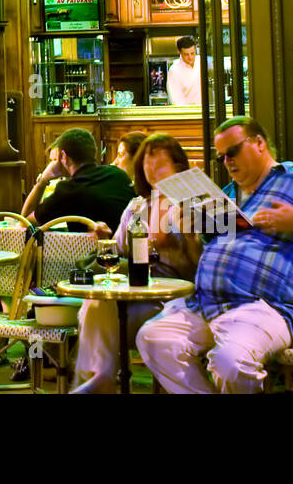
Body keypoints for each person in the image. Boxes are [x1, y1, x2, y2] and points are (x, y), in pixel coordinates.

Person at [136, 116, 293, 393]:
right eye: (222, 157)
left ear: (259, 143)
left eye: (233, 152)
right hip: (206, 304)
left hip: (267, 307)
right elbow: (212, 254)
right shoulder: (227, 193)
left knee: (231, 362)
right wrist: (193, 232)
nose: (227, 162)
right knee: (154, 338)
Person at [74, 134, 202, 393]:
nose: (151, 168)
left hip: (176, 300)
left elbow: (204, 264)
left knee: (109, 315)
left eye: (159, 163)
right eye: (147, 162)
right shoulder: (137, 207)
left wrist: (188, 237)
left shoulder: (194, 205)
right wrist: (105, 237)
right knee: (97, 302)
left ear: (178, 167)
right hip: (139, 294)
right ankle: (101, 378)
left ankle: (102, 379)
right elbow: (119, 251)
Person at [21, 128, 135, 231]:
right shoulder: (118, 174)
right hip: (130, 248)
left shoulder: (68, 190)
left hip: (93, 252)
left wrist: (43, 181)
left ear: (63, 156)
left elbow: (25, 222)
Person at [166, 35, 201, 106]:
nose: (190, 57)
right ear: (179, 52)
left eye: (192, 53)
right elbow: (176, 100)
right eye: (186, 54)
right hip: (188, 113)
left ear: (195, 49)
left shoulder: (202, 62)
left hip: (207, 112)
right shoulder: (174, 70)